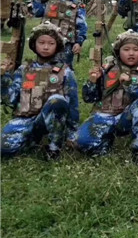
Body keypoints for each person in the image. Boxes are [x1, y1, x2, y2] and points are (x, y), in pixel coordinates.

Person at [75, 30, 138, 163]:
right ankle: (105, 142)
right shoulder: (106, 69)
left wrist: (129, 84)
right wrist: (92, 81)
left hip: (125, 118)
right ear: (118, 51)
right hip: (103, 115)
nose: (131, 53)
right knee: (81, 142)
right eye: (126, 49)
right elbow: (88, 98)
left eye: (135, 49)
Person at [1, 22, 79, 159]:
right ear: (34, 44)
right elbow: (11, 100)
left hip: (51, 120)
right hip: (25, 119)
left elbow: (73, 105)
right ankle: (32, 139)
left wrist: (73, 133)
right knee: (4, 148)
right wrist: (3, 78)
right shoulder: (23, 70)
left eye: (51, 43)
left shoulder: (65, 71)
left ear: (57, 45)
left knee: (57, 100)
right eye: (41, 42)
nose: (46, 47)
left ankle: (54, 147)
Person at [32, 0, 87, 67]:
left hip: (66, 45)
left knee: (62, 69)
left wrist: (79, 42)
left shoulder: (78, 5)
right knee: (42, 68)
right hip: (46, 42)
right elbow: (38, 12)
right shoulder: (50, 0)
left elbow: (82, 26)